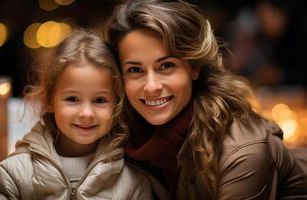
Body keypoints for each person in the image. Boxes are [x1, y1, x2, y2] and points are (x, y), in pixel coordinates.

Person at [106, 0, 307, 199]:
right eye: (135, 70)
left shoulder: (241, 151)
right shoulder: (122, 138)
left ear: (194, 67)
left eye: (166, 66)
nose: (151, 86)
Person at [0, 30, 152, 200]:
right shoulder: (13, 175)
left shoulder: (134, 183)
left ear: (117, 104)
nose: (86, 113)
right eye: (72, 99)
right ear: (50, 100)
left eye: (100, 100)